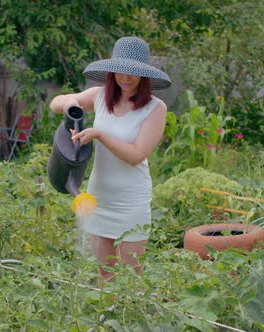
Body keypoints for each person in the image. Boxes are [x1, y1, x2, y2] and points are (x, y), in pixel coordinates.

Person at [49, 36, 171, 285]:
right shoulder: (99, 96)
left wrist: (100, 134)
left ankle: (129, 321)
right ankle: (106, 320)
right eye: (120, 71)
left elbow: (137, 155)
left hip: (131, 201)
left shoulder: (155, 108)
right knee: (105, 272)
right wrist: (71, 103)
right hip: (99, 196)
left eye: (132, 72)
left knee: (132, 276)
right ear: (112, 71)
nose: (125, 77)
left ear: (143, 75)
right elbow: (55, 103)